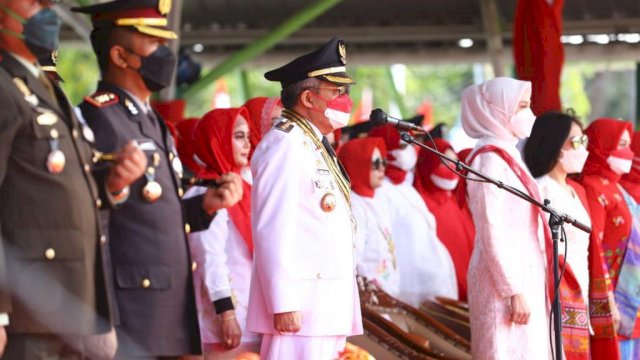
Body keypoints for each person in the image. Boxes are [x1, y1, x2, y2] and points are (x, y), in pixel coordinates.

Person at [72, 0, 244, 357]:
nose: (166, 54)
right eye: (155, 45)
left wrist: (205, 206)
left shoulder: (151, 121)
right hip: (131, 307)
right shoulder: (97, 119)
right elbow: (86, 216)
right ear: (120, 57)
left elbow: (160, 210)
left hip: (164, 304)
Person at [0, 0, 147, 358]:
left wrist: (113, 182)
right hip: (27, 311)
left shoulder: (40, 84)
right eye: (34, 0)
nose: (48, 7)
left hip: (70, 305)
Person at [247, 37, 362, 359]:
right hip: (301, 304)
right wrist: (283, 301)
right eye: (337, 92)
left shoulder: (312, 143)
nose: (345, 100)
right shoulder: (284, 145)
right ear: (309, 98)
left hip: (325, 301)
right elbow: (271, 228)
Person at [461, 77, 550, 359]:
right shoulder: (488, 160)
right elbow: (491, 230)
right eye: (522, 106)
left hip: (523, 276)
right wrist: (512, 289)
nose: (529, 114)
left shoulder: (507, 153)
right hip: (504, 283)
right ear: (497, 111)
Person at [187, 107, 260, 358]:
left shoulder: (242, 187)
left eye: (248, 136)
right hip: (221, 316)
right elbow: (209, 257)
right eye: (238, 135)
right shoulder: (206, 193)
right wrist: (226, 314)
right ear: (216, 139)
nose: (247, 143)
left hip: (249, 311)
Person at [524, 111, 594, 359]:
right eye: (576, 142)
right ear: (554, 143)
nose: (583, 149)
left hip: (580, 288)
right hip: (555, 290)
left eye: (584, 141)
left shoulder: (575, 190)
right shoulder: (542, 189)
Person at [369, 124, 457, 306]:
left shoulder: (406, 186)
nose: (408, 151)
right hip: (407, 290)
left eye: (409, 144)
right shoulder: (380, 191)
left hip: (432, 283)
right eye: (402, 145)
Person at [580, 118, 636, 359]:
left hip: (630, 293)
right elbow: (595, 249)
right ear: (602, 146)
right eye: (620, 144)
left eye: (629, 144)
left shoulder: (617, 188)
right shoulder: (593, 188)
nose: (628, 151)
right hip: (613, 296)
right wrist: (607, 302)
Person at [337, 137, 400, 297]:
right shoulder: (353, 205)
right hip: (368, 297)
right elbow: (355, 257)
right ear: (357, 164)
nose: (382, 169)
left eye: (383, 162)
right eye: (375, 164)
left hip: (386, 292)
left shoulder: (377, 199)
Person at [414, 138, 475, 301]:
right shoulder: (419, 204)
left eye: (455, 162)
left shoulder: (458, 201)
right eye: (444, 162)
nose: (452, 168)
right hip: (443, 298)